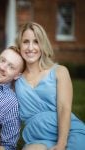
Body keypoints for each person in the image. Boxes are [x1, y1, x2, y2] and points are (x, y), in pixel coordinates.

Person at [15, 22, 85, 150]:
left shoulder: (60, 71)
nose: (31, 47)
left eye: (36, 41)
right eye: (26, 41)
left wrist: (61, 144)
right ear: (19, 46)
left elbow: (64, 108)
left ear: (43, 45)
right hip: (37, 136)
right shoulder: (15, 78)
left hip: (69, 133)